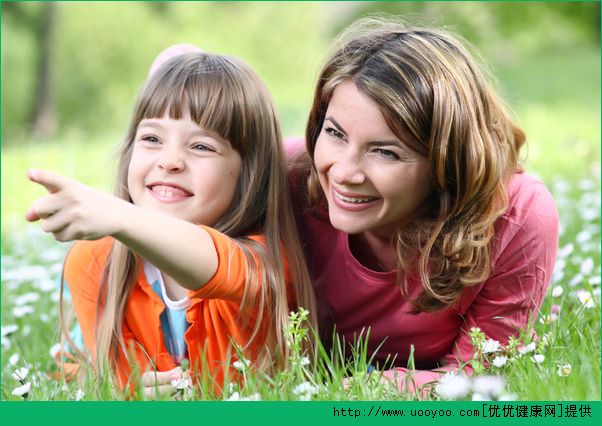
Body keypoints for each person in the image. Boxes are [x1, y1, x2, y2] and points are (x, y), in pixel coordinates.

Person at [288, 17, 559, 392]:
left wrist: (362, 390)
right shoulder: (290, 178)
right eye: (335, 133)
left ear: (446, 162)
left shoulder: (516, 214)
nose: (344, 172)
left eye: (385, 152)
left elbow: (477, 377)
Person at [26, 51, 316, 398]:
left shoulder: (264, 263)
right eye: (151, 139)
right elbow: (117, 385)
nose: (170, 161)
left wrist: (120, 215)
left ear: (248, 173)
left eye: (201, 146)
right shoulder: (95, 262)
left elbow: (215, 264)